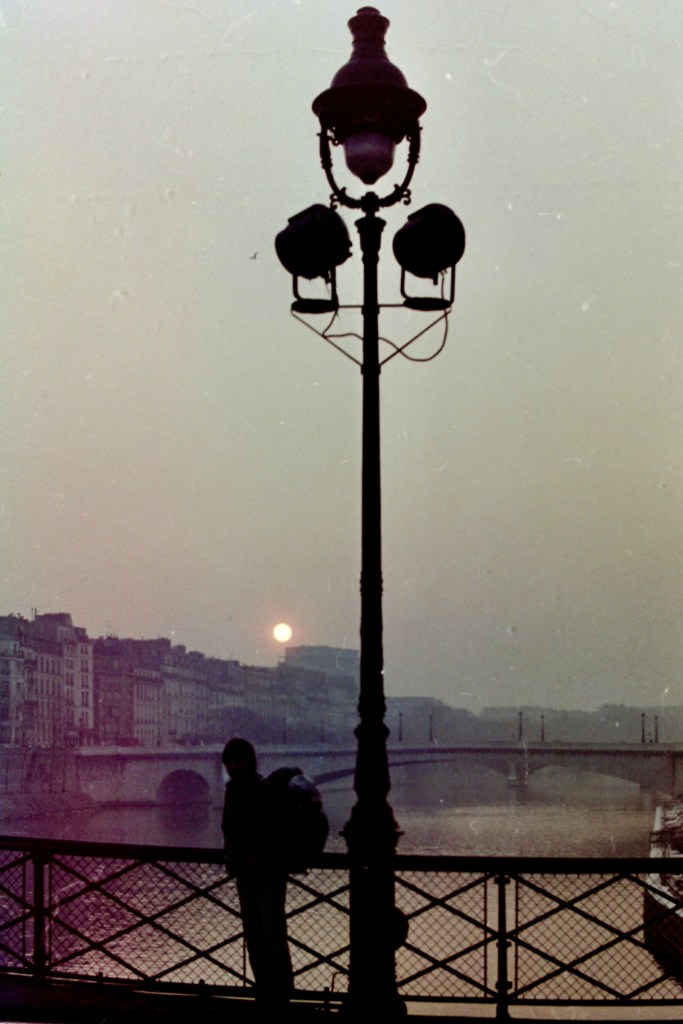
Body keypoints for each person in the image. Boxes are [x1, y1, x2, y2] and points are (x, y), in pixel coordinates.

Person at [221, 737, 293, 1005]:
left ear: (248, 763)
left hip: (267, 871)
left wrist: (255, 857)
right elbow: (229, 827)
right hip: (246, 871)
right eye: (229, 763)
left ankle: (279, 996)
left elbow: (275, 832)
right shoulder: (233, 790)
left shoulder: (262, 790)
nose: (232, 768)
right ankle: (268, 992)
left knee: (269, 934)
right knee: (256, 934)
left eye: (235, 762)